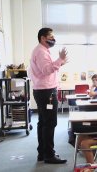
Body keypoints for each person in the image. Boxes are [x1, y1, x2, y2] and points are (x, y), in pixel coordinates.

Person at [29, 28, 68, 164]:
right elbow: (46, 70)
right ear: (42, 38)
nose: (53, 38)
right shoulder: (40, 51)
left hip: (44, 90)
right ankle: (49, 155)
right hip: (46, 92)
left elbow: (48, 69)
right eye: (51, 36)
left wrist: (60, 62)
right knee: (50, 123)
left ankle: (43, 152)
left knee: (43, 122)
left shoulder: (43, 51)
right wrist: (60, 59)